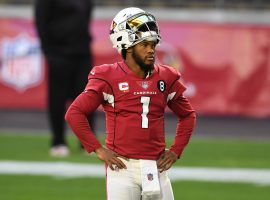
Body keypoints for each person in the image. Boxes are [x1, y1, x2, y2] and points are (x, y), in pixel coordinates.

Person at [65, 7, 196, 200]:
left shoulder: (166, 77)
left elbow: (187, 115)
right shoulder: (108, 76)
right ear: (126, 44)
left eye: (153, 44)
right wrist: (97, 149)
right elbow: (74, 113)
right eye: (144, 44)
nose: (151, 49)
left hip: (156, 167)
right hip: (122, 168)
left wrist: (176, 150)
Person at [34, 0, 95, 157]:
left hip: (82, 52)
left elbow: (86, 16)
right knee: (57, 98)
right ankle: (58, 141)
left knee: (88, 97)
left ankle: (87, 143)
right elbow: (40, 20)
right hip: (58, 52)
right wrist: (48, 51)